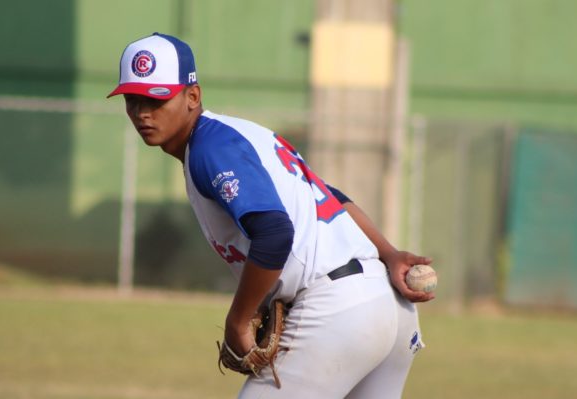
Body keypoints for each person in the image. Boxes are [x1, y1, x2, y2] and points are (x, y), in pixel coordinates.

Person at [107, 32, 435, 398]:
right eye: (132, 100)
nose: (142, 112)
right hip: (386, 305)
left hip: (336, 310)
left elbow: (275, 234)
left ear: (192, 96)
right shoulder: (241, 135)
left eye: (157, 98)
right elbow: (330, 198)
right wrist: (387, 253)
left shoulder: (209, 148)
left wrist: (239, 319)